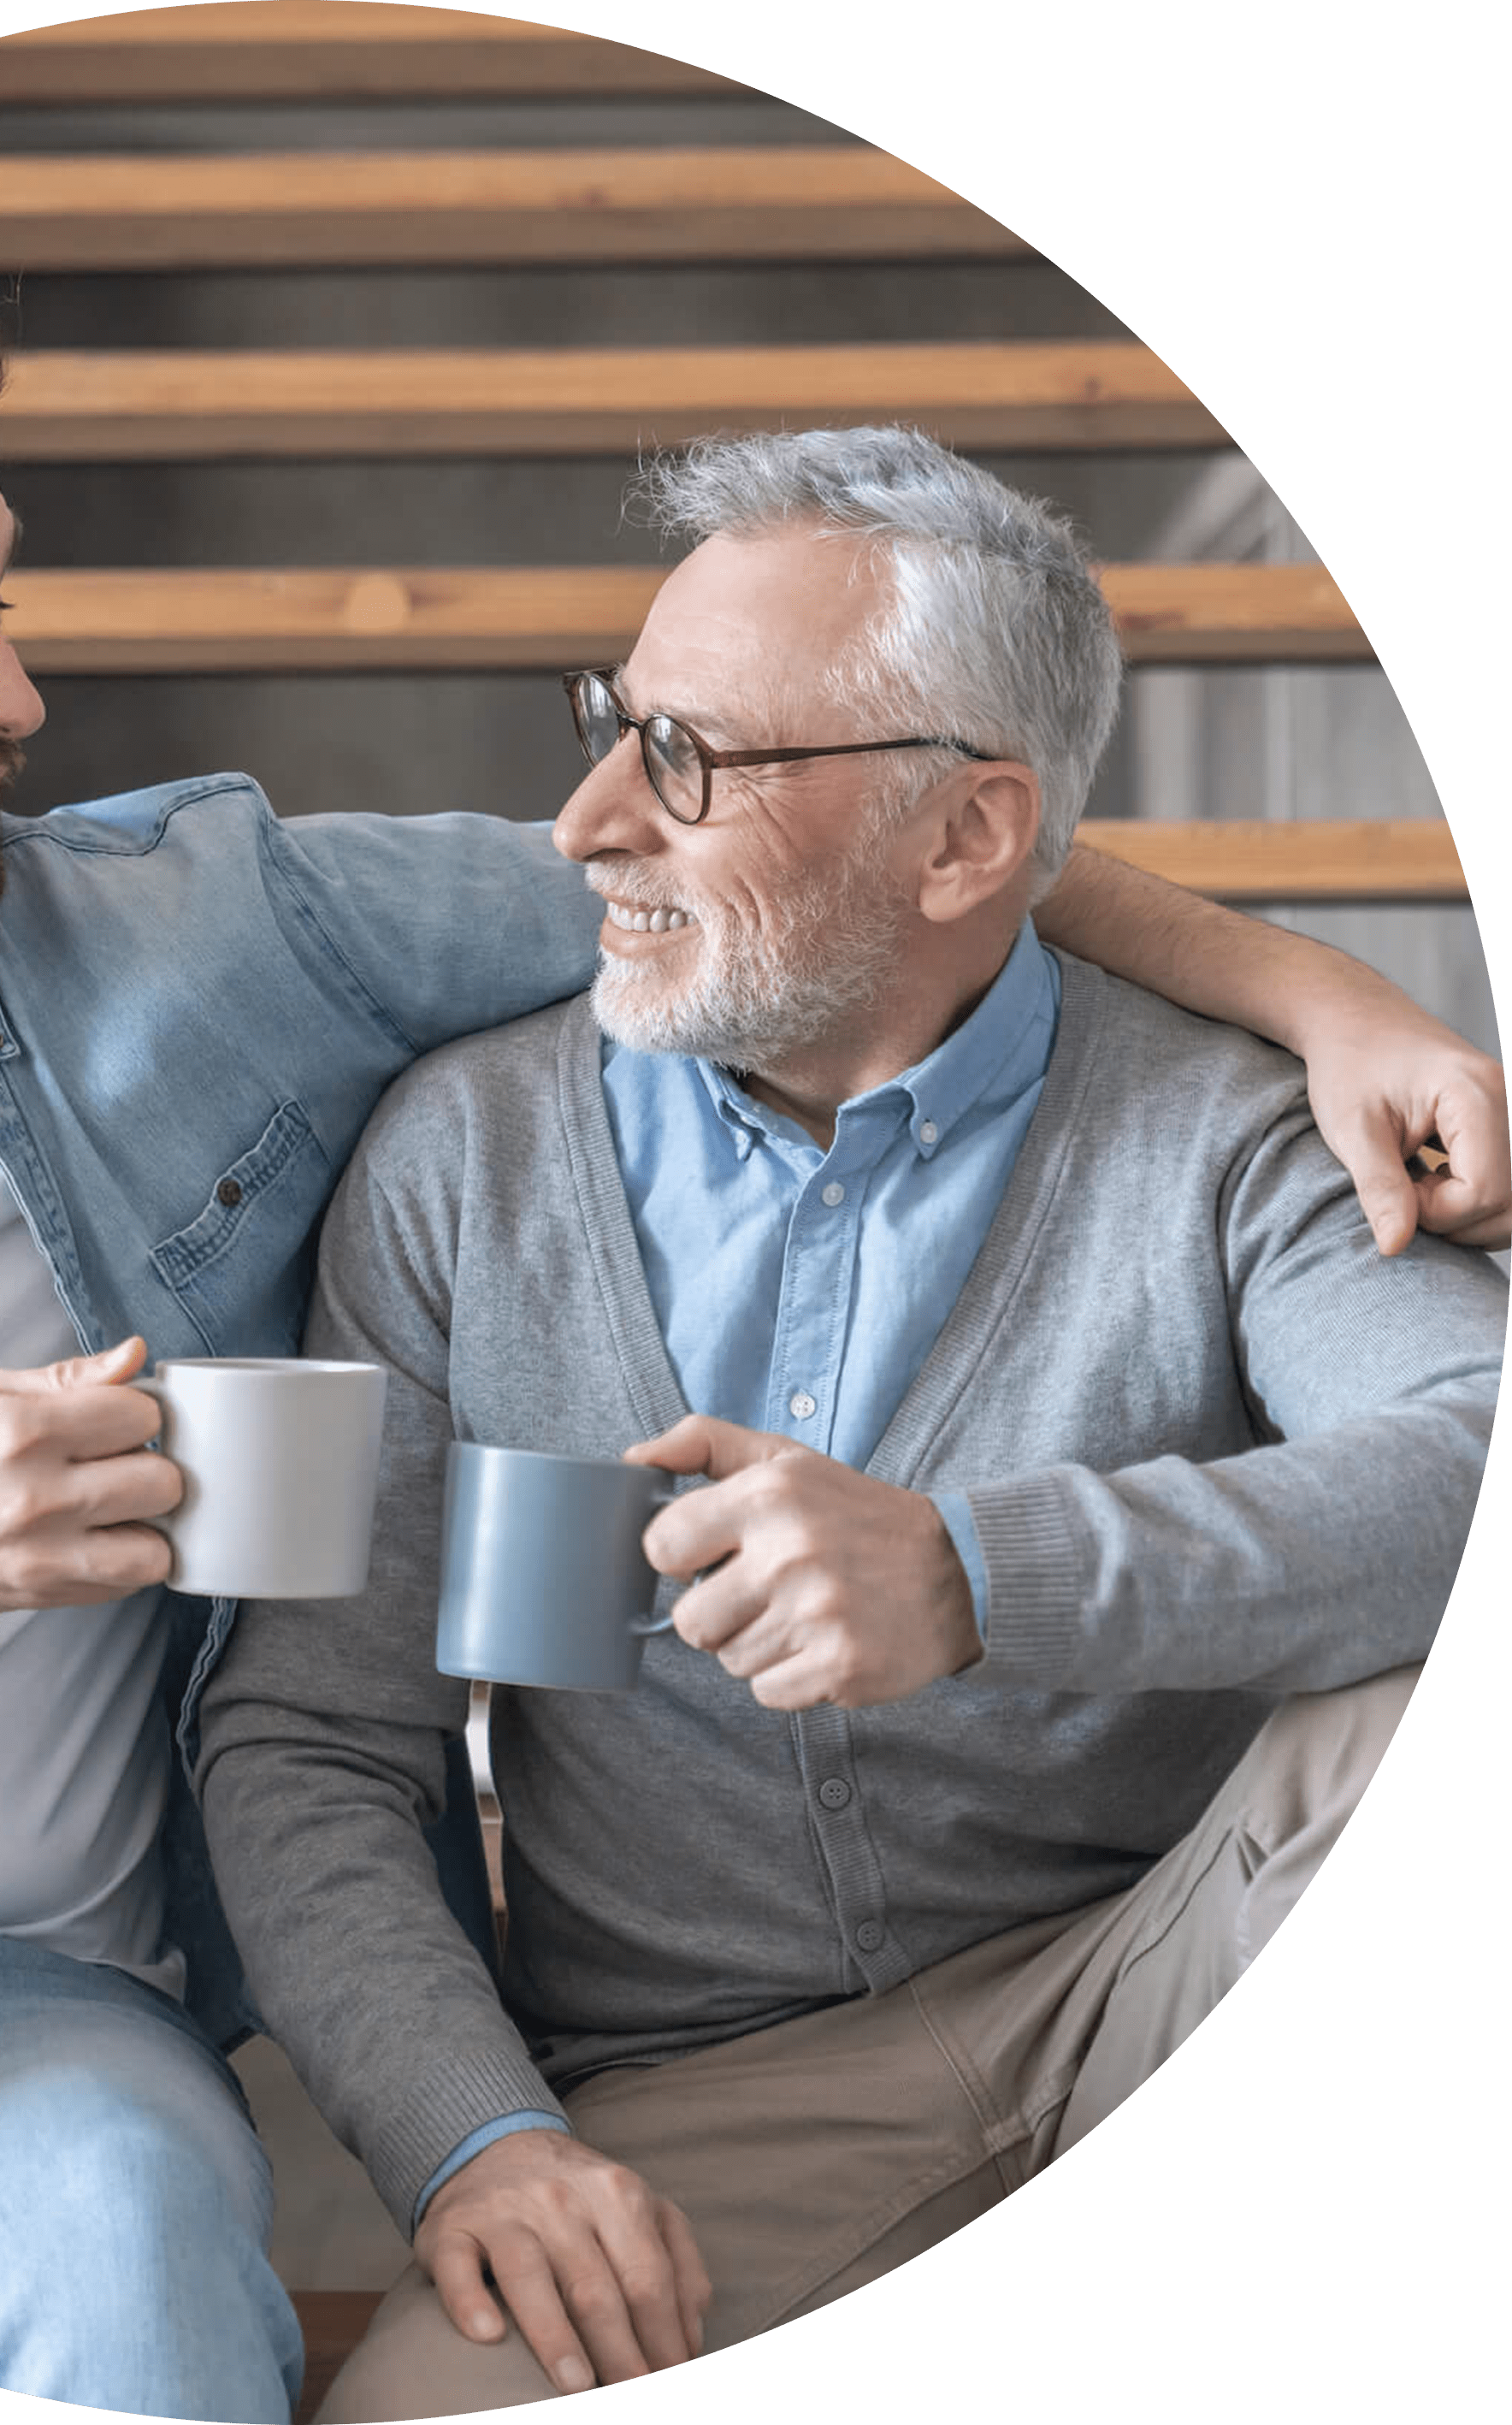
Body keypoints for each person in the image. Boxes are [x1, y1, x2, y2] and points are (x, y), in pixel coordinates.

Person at [0, 284, 1499, 2417]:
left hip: (13, 2016)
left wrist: (1313, 990)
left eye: (4, 603)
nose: (15, 690)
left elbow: (788, 860)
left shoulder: (198, 924)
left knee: (140, 2272)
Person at [194, 425, 1507, 2421]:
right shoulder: (461, 1160)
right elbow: (311, 1733)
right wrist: (478, 2136)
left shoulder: (1227, 1129)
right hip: (709, 2100)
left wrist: (982, 1576)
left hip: (1165, 1977)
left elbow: (1468, 1440)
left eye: (690, 758)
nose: (588, 820)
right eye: (613, 724)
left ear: (966, 837)